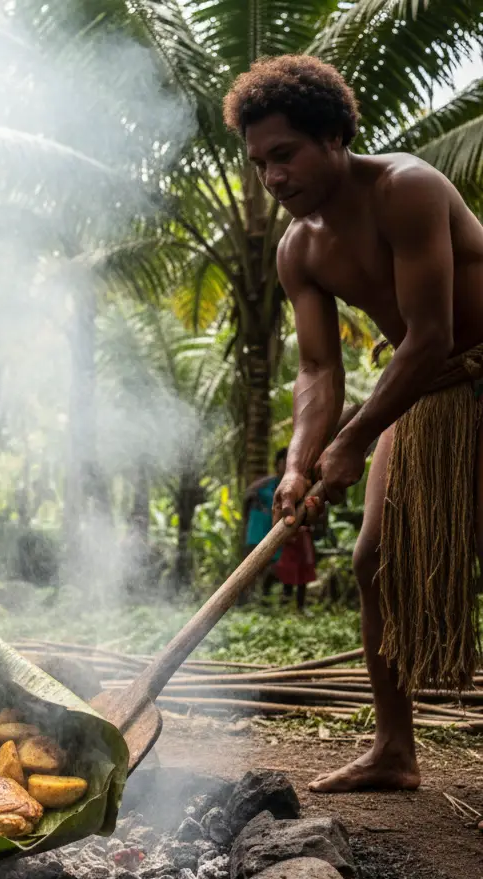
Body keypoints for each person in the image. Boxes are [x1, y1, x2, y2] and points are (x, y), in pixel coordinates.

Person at [225, 55, 483, 795]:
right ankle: (395, 752)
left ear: (336, 135)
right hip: (424, 395)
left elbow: (429, 334)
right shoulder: (298, 248)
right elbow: (318, 372)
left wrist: (351, 441)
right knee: (373, 558)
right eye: (259, 163)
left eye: (285, 154)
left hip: (467, 370)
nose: (272, 177)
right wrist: (302, 462)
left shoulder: (407, 189)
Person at [241, 447, 286, 601]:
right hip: (258, 528)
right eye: (283, 462)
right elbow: (248, 496)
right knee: (252, 565)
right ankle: (246, 598)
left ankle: (263, 598)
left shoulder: (293, 485)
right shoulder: (266, 483)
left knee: (273, 566)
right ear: (277, 464)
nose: (286, 465)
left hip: (274, 530)